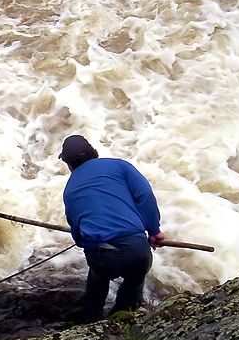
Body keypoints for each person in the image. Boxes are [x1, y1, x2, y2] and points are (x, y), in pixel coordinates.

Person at [59, 134, 165, 321]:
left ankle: (91, 322)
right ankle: (123, 321)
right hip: (137, 251)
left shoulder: (69, 189)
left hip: (102, 255)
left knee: (98, 279)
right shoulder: (119, 166)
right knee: (134, 282)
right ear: (94, 153)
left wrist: (84, 240)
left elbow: (77, 231)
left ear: (69, 164)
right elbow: (145, 196)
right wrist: (154, 231)